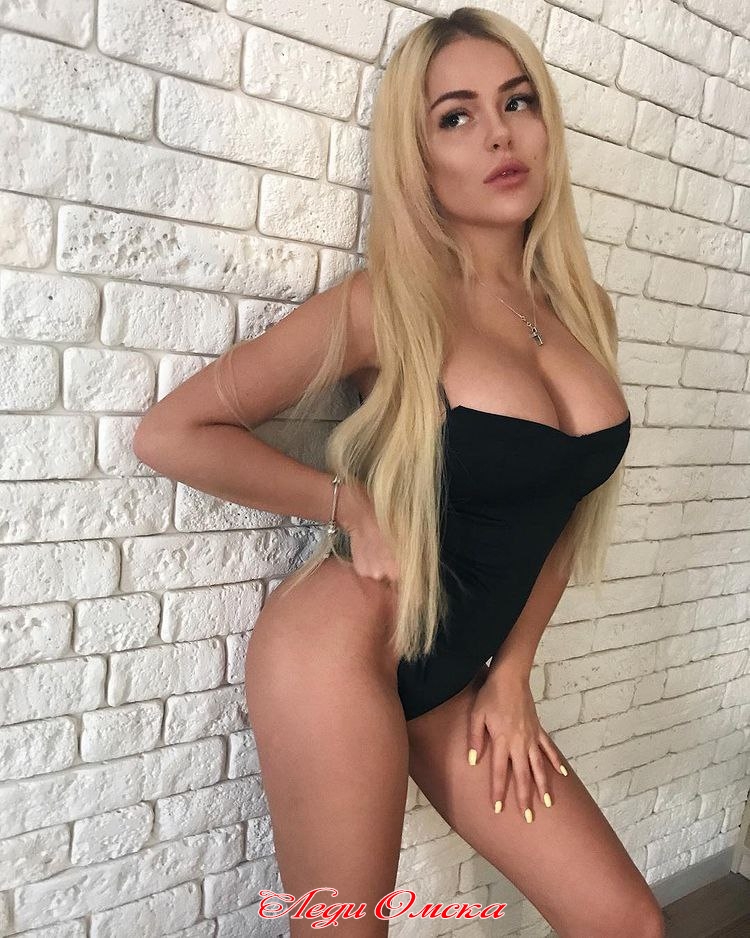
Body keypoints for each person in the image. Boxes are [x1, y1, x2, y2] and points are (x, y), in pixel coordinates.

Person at [133, 8, 666, 937]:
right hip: (343, 649)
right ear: (417, 158)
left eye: (517, 102)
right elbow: (173, 433)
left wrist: (513, 672)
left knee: (627, 923)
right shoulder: (385, 303)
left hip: (460, 676)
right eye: (456, 116)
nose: (499, 134)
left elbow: (563, 508)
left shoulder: (583, 310)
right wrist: (347, 503)